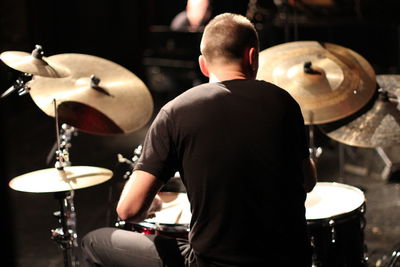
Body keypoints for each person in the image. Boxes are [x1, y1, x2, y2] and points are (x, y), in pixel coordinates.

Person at [81, 13, 317, 267]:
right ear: (252, 57)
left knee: (95, 242)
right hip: (291, 260)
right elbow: (308, 182)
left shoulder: (177, 112)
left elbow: (128, 210)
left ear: (203, 65)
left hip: (214, 263)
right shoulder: (285, 103)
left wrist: (153, 202)